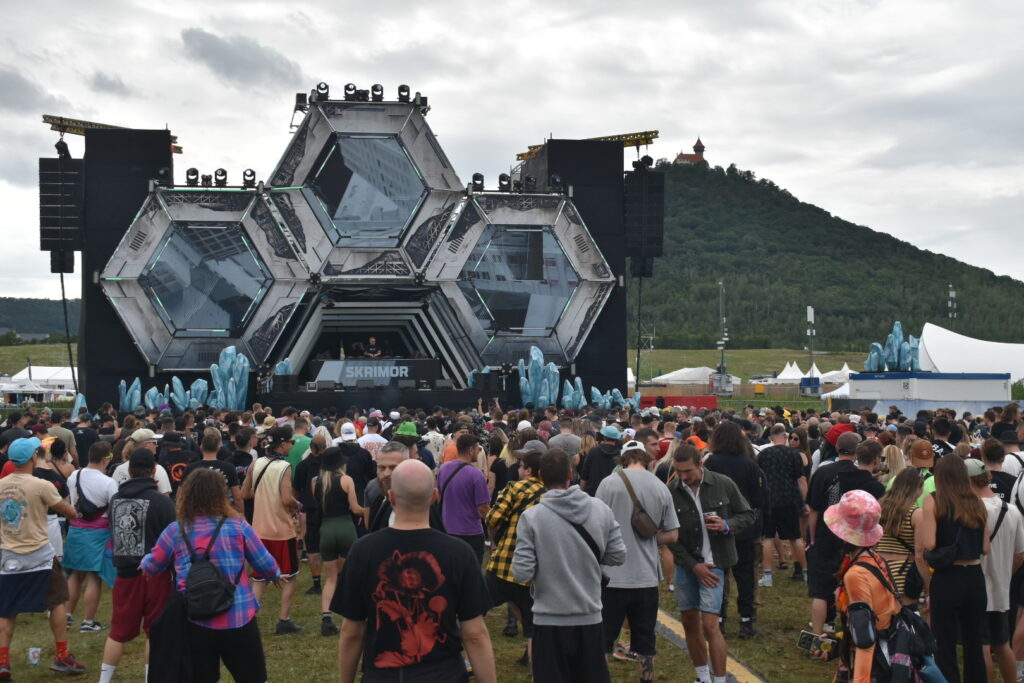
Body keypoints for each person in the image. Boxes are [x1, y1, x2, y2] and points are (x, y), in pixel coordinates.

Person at [333, 459, 497, 683]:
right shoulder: (460, 553)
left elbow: (352, 631)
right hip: (444, 675)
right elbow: (475, 634)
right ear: (435, 497)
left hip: (384, 675)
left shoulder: (363, 550)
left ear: (391, 498)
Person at [141, 468, 281, 683]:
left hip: (196, 618)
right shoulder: (238, 526)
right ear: (222, 495)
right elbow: (266, 565)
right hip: (238, 615)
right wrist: (276, 575)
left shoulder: (176, 530)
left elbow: (153, 566)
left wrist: (144, 562)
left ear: (186, 495)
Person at [513, 448, 626, 683]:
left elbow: (522, 573)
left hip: (548, 619)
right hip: (589, 616)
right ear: (570, 473)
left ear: (540, 476)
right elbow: (618, 555)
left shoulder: (531, 518)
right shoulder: (600, 509)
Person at [668, 443, 754, 683]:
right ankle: (702, 677)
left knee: (710, 624)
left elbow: (748, 514)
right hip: (687, 566)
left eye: (687, 471)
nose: (683, 477)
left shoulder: (722, 484)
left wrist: (727, 525)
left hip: (715, 564)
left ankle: (720, 679)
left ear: (700, 464)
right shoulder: (672, 490)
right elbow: (669, 536)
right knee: (689, 622)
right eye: (678, 471)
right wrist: (692, 566)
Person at [595, 440, 679, 681]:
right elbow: (673, 534)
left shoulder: (608, 484)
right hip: (645, 577)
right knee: (645, 642)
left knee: (602, 640)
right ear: (646, 458)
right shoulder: (660, 487)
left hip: (611, 576)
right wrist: (649, 539)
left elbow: (595, 526)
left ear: (623, 459)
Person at [0, 437, 84, 678]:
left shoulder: (1, 485)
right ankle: (62, 655)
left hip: (10, 557)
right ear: (32, 457)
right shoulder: (41, 485)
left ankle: (3, 662)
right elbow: (68, 511)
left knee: (6, 610)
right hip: (40, 555)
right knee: (58, 602)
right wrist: (76, 512)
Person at [100, 448, 177, 683]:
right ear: (154, 470)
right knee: (155, 632)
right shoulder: (163, 502)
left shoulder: (115, 500)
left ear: (130, 470)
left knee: (117, 632)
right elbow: (173, 539)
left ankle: (104, 680)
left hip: (125, 574)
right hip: (157, 574)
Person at [920, 454, 990, 682]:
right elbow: (985, 547)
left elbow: (929, 543)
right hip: (975, 576)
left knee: (944, 641)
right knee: (974, 640)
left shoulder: (934, 500)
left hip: (948, 576)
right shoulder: (977, 502)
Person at [827, 490, 903, 682]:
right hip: (888, 648)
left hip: (873, 664)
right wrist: (839, 648)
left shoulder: (855, 575)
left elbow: (864, 638)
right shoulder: (877, 560)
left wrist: (860, 679)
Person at [703, 420, 766, 638]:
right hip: (744, 527)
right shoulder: (750, 464)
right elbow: (759, 499)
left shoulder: (710, 462)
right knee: (745, 575)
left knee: (718, 574)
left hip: (716, 526)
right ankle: (746, 621)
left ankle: (719, 618)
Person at [485, 449, 545, 663]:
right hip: (531, 567)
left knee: (475, 607)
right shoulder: (549, 494)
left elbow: (492, 518)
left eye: (521, 466)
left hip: (504, 563)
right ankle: (534, 660)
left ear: (528, 470)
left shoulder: (514, 488)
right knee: (531, 620)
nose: (518, 469)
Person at [240, 426, 302, 634]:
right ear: (282, 444)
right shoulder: (284, 467)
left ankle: (249, 619)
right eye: (290, 442)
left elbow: (244, 493)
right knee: (290, 576)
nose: (291, 446)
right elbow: (286, 499)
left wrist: (264, 494)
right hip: (282, 530)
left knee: (260, 577)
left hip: (259, 529)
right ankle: (284, 620)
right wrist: (297, 504)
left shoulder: (256, 463)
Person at [967, 458, 1024, 683]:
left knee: (981, 645)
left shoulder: (971, 510)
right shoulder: (1012, 511)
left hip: (975, 586)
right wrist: (1005, 574)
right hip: (1001, 587)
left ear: (969, 481)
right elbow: (1020, 553)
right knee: (1002, 644)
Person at [64, 440, 119, 633]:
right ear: (106, 459)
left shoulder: (74, 475)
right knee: (94, 576)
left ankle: (66, 616)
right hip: (99, 532)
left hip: (76, 529)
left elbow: (71, 501)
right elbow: (114, 509)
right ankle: (88, 622)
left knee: (75, 574)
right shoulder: (108, 482)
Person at [313, 446, 366, 636]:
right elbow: (355, 509)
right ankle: (350, 614)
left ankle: (326, 617)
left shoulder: (316, 482)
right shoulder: (346, 480)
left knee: (330, 578)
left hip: (326, 530)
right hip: (345, 528)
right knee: (346, 576)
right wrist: (369, 510)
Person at [756, 424, 808, 586]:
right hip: (789, 499)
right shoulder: (794, 454)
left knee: (768, 538)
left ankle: (767, 576)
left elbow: (759, 479)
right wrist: (805, 502)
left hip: (769, 501)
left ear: (771, 438)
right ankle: (806, 573)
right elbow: (801, 480)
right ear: (785, 437)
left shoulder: (763, 454)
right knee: (796, 537)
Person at [875, 468, 928, 604]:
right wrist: (928, 587)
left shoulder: (879, 507)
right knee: (904, 614)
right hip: (903, 574)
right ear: (918, 488)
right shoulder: (916, 514)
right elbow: (919, 556)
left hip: (878, 568)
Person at [437, 433, 491, 563]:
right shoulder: (476, 475)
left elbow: (439, 496)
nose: (479, 452)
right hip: (471, 532)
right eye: (478, 449)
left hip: (447, 529)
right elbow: (483, 508)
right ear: (470, 450)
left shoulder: (444, 469)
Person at [184, 431, 242, 513]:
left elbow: (182, 494)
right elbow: (237, 497)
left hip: (197, 513)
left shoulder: (190, 468)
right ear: (218, 449)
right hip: (222, 512)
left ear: (201, 447)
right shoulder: (229, 468)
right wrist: (241, 516)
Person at [579, 425, 622, 496]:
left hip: (593, 493)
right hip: (613, 494)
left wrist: (581, 494)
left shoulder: (593, 451)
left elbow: (584, 475)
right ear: (616, 438)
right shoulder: (620, 454)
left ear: (604, 437)